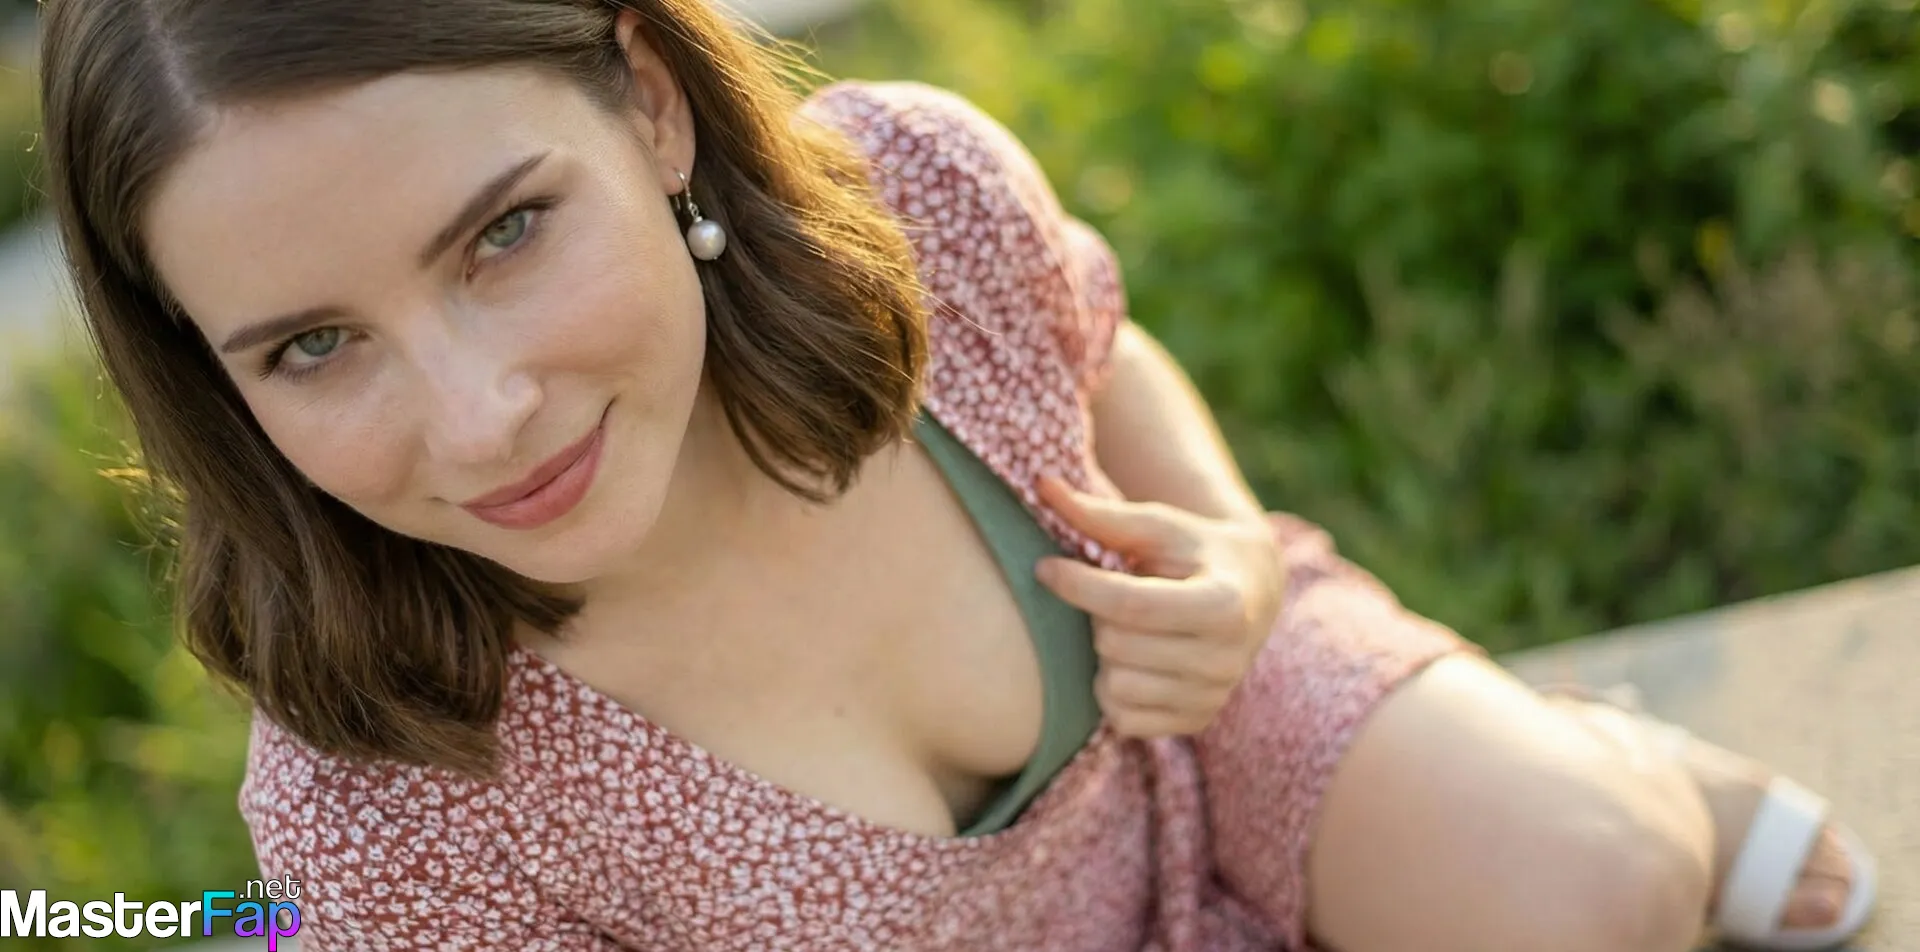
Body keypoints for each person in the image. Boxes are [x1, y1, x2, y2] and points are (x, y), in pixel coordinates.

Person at [37, 1, 1877, 949]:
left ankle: (1624, 779)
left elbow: (1102, 350)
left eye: (506, 232)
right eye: (312, 345)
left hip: (1207, 742)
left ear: (649, 103)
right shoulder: (383, 812)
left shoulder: (907, 195)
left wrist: (1224, 559)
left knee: (1587, 891)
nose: (479, 418)